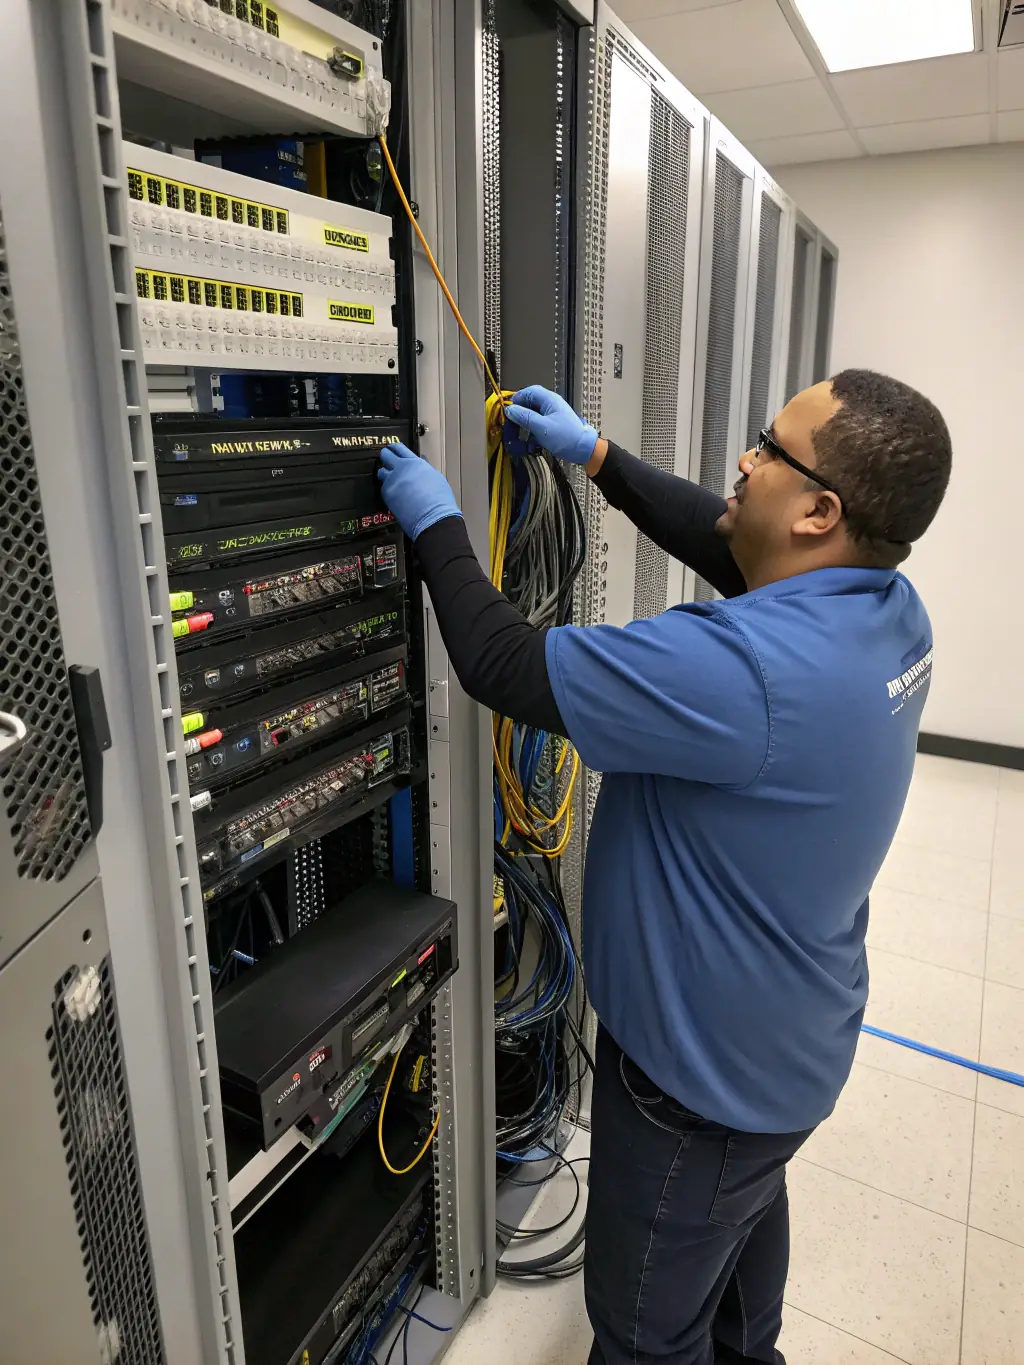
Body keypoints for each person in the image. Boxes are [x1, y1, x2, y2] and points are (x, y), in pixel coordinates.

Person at [377, 370, 952, 1365]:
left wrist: (435, 523)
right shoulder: (884, 608)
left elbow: (502, 665)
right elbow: (726, 538)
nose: (743, 460)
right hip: (787, 1051)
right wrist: (595, 457)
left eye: (770, 449)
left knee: (646, 1336)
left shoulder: (743, 671)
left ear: (819, 511)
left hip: (698, 1084)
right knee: (733, 1284)